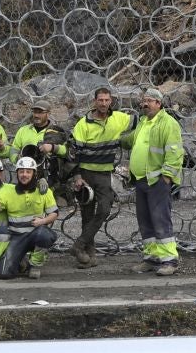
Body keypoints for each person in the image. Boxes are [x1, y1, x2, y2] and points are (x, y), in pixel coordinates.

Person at [65, 85, 135, 267]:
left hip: (104, 174)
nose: (103, 104)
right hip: (86, 174)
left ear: (111, 101)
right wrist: (77, 176)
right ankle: (89, 255)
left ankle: (79, 245)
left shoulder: (119, 119)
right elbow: (73, 154)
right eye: (100, 100)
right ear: (94, 102)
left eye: (106, 100)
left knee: (104, 208)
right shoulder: (83, 124)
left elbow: (141, 121)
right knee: (87, 215)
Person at [127, 87, 184, 276]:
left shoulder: (168, 123)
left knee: (160, 219)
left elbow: (175, 151)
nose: (145, 104)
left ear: (159, 104)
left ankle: (169, 260)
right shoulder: (143, 122)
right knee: (145, 221)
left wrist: (167, 175)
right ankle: (151, 258)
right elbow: (136, 142)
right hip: (142, 179)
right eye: (144, 101)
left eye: (149, 101)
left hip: (157, 179)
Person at [0, 156, 60, 280]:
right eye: (21, 171)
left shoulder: (43, 190)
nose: (24, 175)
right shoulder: (8, 191)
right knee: (4, 274)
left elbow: (54, 213)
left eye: (28, 172)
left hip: (34, 234)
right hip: (16, 237)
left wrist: (43, 221)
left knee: (45, 235)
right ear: (17, 173)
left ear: (34, 173)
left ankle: (34, 265)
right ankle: (21, 262)